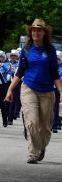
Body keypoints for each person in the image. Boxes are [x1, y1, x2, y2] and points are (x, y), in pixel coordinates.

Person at [5, 19, 62, 164]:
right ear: (31, 32)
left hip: (47, 91)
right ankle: (33, 153)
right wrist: (10, 90)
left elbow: (55, 73)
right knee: (32, 121)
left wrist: (61, 91)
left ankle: (41, 146)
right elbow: (20, 71)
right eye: (34, 30)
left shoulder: (50, 50)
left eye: (39, 30)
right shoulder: (26, 50)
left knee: (46, 126)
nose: (36, 32)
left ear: (44, 33)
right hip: (29, 88)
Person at [6, 49, 21, 125]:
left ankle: (10, 119)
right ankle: (6, 117)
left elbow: (19, 73)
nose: (13, 57)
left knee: (12, 101)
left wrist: (13, 71)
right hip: (6, 83)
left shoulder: (19, 64)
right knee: (6, 101)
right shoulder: (6, 63)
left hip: (15, 83)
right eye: (12, 56)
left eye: (15, 56)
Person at [52, 51, 62, 133]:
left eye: (58, 59)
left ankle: (54, 125)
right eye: (55, 59)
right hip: (48, 88)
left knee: (56, 107)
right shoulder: (49, 67)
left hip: (57, 89)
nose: (57, 61)